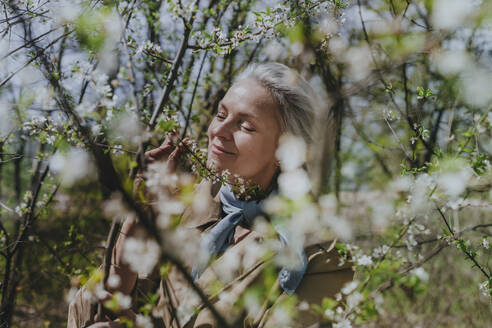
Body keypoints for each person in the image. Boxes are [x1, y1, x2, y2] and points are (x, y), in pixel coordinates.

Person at [67, 62, 354, 328]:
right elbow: (95, 310)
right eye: (221, 114)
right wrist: (139, 222)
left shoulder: (320, 256)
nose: (219, 131)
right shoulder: (182, 206)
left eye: (245, 125)